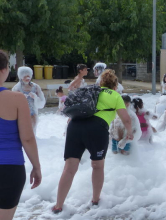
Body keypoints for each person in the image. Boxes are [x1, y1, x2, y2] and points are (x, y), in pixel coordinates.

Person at [52, 70, 133, 213]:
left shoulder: (90, 90)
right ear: (115, 86)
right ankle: (95, 200)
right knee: (97, 165)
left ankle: (58, 205)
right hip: (97, 129)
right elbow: (126, 119)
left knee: (69, 168)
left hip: (75, 126)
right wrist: (130, 132)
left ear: (100, 83)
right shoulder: (115, 95)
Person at [0, 51, 41, 220]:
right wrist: (36, 167)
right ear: (4, 70)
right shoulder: (16, 99)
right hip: (9, 168)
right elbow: (28, 138)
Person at [12, 67, 46, 135]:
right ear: (21, 77)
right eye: (25, 76)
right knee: (22, 133)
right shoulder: (16, 88)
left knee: (32, 134)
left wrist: (35, 98)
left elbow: (42, 103)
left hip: (33, 114)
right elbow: (11, 104)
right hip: (21, 115)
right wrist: (20, 98)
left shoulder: (36, 87)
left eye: (29, 76)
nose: (27, 78)